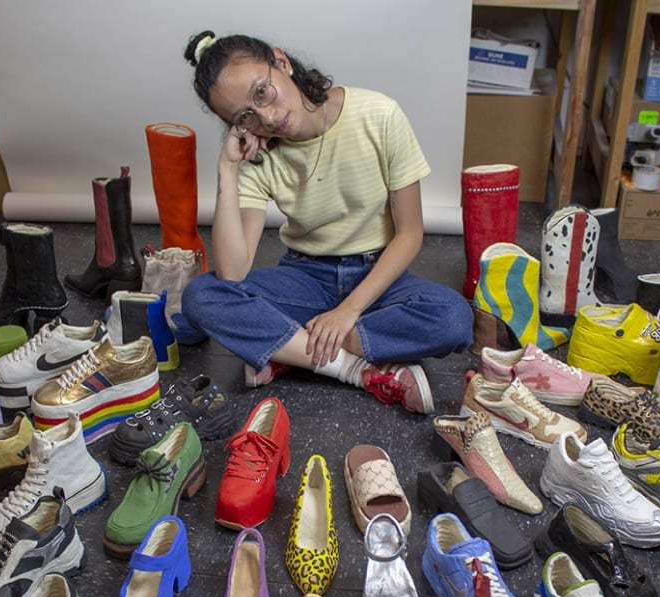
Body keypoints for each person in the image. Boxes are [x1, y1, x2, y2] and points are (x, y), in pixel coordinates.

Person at [173, 30, 473, 414]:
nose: (265, 116)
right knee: (202, 296)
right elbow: (232, 273)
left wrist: (348, 310)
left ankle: (291, 349)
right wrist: (228, 168)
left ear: (281, 62)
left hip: (379, 277)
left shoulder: (378, 114)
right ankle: (355, 369)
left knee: (452, 318)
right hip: (305, 279)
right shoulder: (257, 157)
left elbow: (411, 233)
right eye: (244, 115)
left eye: (262, 92)